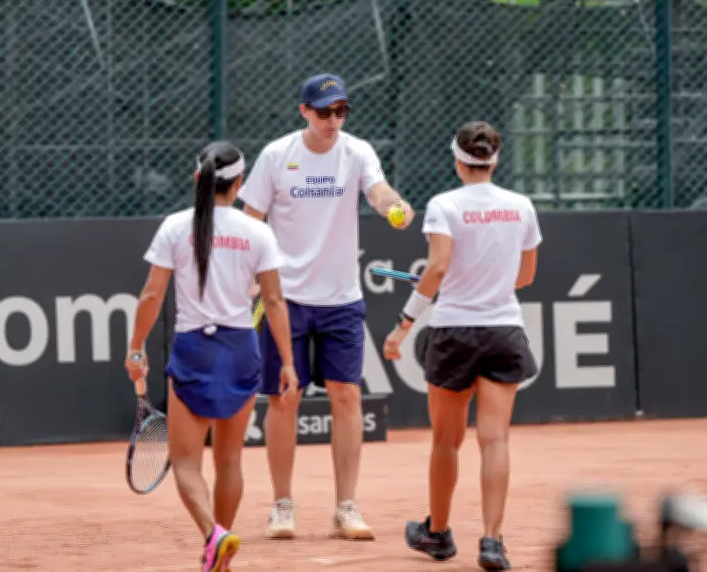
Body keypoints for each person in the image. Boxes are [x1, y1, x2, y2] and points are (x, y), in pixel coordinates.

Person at [238, 72, 415, 540]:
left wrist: (394, 205)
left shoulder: (357, 152)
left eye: (341, 111)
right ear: (304, 112)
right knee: (284, 397)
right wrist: (249, 276)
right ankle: (281, 505)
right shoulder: (277, 156)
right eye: (324, 112)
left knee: (347, 395)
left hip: (341, 298)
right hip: (285, 299)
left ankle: (346, 507)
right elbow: (250, 219)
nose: (333, 120)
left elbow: (378, 190)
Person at [124, 141, 298, 572]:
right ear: (238, 184)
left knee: (186, 461)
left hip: (194, 350)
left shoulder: (174, 226)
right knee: (230, 459)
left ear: (198, 179)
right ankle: (219, 552)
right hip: (241, 350)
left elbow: (151, 294)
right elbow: (275, 303)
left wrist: (135, 347)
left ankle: (212, 535)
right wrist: (289, 363)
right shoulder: (257, 232)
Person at [382, 121, 542, 571]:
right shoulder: (521, 206)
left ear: (458, 160)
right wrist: (482, 281)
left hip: (454, 331)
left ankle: (438, 535)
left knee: (446, 442)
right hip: (503, 330)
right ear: (495, 159)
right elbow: (525, 276)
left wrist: (402, 326)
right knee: (495, 441)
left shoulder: (443, 205)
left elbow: (436, 270)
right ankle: (492, 542)